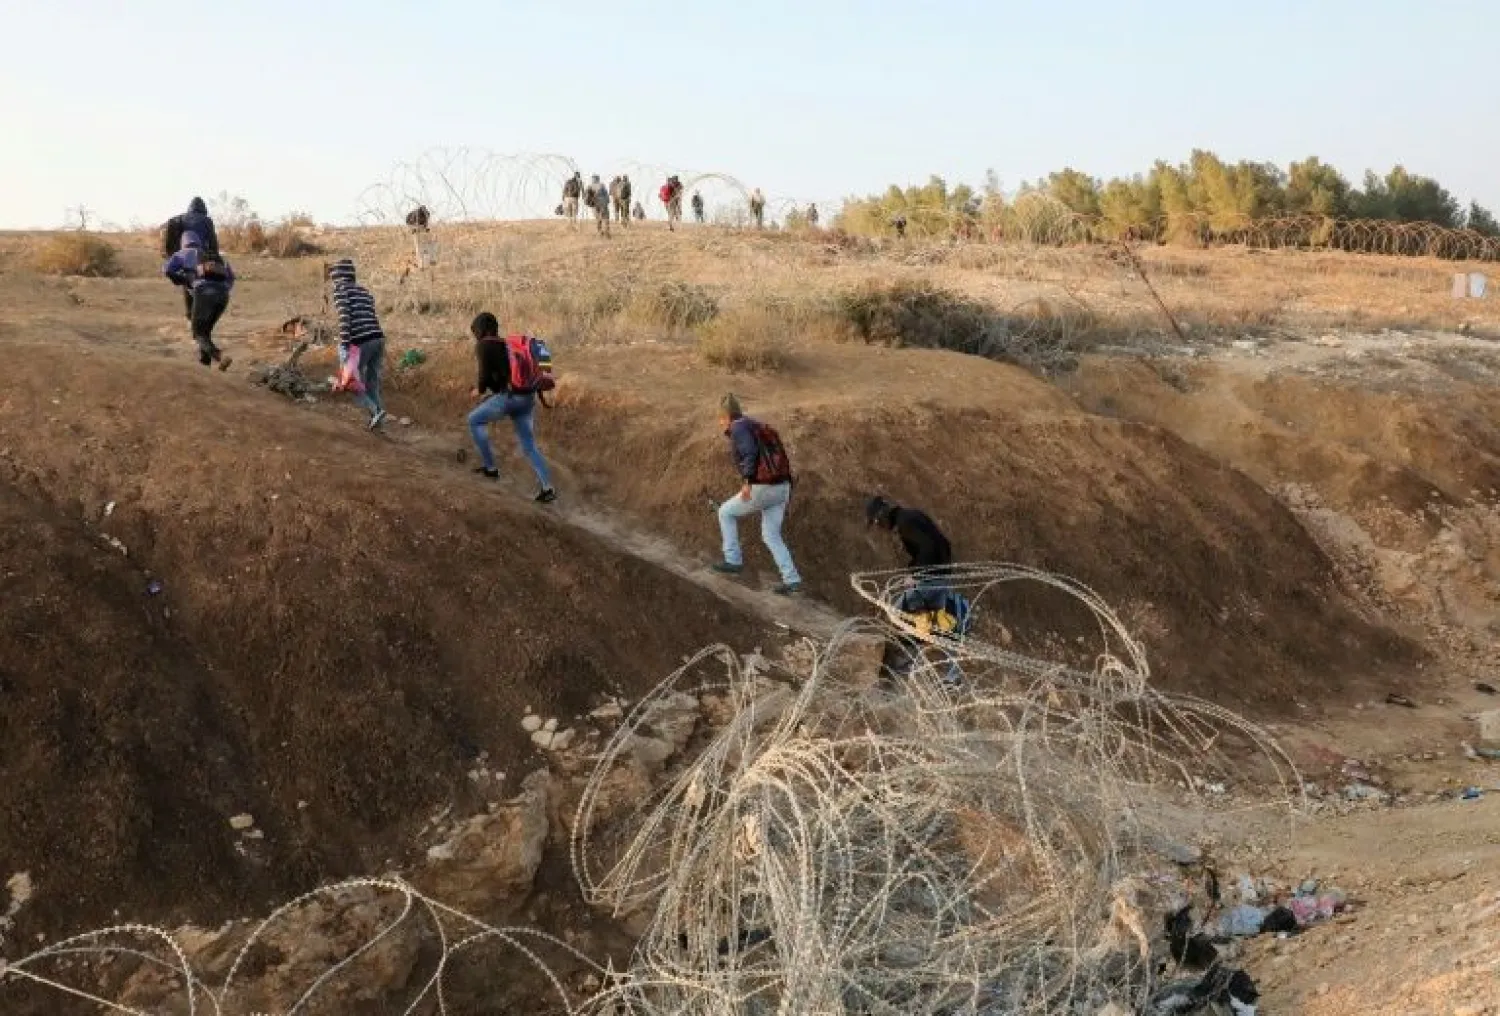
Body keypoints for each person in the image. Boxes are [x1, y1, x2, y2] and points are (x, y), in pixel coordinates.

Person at [711, 394, 801, 595]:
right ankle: (791, 579)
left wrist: (747, 482)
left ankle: (733, 560)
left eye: (720, 418)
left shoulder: (739, 428)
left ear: (726, 416)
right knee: (771, 535)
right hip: (782, 487)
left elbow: (750, 453)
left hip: (763, 487)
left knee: (725, 513)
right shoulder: (755, 425)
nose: (719, 422)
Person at [466, 312, 557, 502]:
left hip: (509, 399)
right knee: (529, 446)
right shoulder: (505, 344)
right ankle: (548, 488)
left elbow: (484, 378)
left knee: (473, 420)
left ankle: (491, 469)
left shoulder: (484, 345)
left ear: (480, 330)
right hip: (527, 399)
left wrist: (478, 391)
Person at [327, 259, 388, 429]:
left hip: (359, 342)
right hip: (378, 338)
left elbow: (345, 317)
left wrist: (345, 345)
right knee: (372, 383)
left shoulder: (340, 290)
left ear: (337, 276)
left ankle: (375, 411)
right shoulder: (364, 291)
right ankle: (379, 422)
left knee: (351, 383)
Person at [163, 230, 234, 370]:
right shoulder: (217, 257)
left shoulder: (183, 253)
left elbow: (167, 270)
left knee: (198, 333)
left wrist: (183, 279)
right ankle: (205, 363)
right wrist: (221, 289)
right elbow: (231, 278)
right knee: (205, 331)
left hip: (204, 294)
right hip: (223, 296)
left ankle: (219, 357)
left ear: (183, 243)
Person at [162, 196, 220, 261]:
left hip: (180, 256)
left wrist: (169, 254)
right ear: (204, 208)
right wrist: (215, 255)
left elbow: (169, 240)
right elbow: (213, 241)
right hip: (201, 257)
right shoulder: (207, 220)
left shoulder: (177, 219)